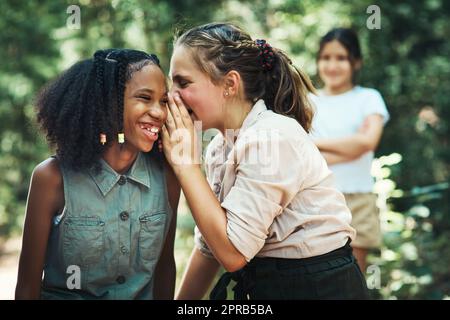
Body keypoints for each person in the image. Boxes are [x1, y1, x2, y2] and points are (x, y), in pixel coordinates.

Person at [162, 22, 369, 300]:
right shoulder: (220, 148)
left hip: (320, 288)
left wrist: (186, 166)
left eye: (183, 82)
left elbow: (233, 253)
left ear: (230, 84)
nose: (171, 96)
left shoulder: (271, 137)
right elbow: (210, 247)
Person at [15, 49, 180, 300]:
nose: (159, 112)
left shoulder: (168, 177)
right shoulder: (52, 178)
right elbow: (27, 287)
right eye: (145, 98)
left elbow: (165, 267)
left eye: (163, 101)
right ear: (108, 103)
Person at [310, 28, 390, 272]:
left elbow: (368, 143)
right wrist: (352, 146)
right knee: (318, 276)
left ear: (356, 62)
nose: (332, 65)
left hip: (358, 199)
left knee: (353, 275)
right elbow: (303, 157)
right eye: (326, 57)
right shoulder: (307, 101)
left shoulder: (368, 98)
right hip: (316, 200)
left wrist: (316, 145)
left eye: (341, 58)